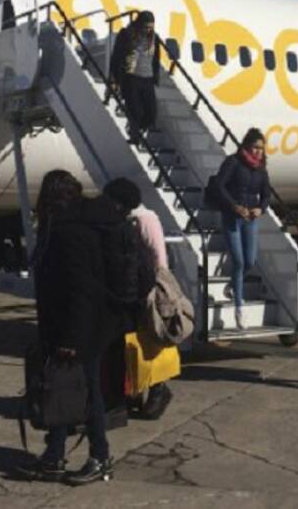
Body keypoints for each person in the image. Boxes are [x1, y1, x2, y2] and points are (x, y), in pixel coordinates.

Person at [18, 170, 128, 485]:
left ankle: (100, 457)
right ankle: (54, 456)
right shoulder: (67, 225)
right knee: (60, 389)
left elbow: (82, 291)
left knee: (88, 392)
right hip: (74, 326)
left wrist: (71, 339)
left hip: (83, 329)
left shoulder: (71, 232)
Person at [102, 178, 174, 417]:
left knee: (150, 342)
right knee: (129, 344)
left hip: (146, 291)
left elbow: (159, 257)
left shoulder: (146, 219)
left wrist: (158, 291)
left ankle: (158, 389)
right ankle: (132, 391)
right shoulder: (119, 221)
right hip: (125, 293)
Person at [213, 128, 271, 330]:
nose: (258, 152)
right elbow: (219, 186)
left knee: (250, 260)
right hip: (232, 217)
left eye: (261, 149)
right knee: (238, 261)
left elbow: (266, 195)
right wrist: (234, 206)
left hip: (250, 220)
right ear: (247, 146)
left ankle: (233, 284)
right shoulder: (233, 162)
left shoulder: (261, 169)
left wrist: (260, 209)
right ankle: (239, 306)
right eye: (255, 147)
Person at [109, 10, 162, 144]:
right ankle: (134, 135)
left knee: (151, 113)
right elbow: (116, 56)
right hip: (130, 78)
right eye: (146, 26)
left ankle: (136, 129)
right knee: (135, 111)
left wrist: (156, 76)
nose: (148, 29)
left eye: (151, 26)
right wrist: (115, 79)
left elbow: (156, 58)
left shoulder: (154, 38)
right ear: (139, 23)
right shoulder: (126, 34)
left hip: (147, 78)